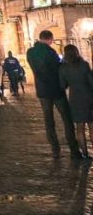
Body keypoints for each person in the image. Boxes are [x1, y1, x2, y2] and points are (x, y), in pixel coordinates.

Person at [27, 30, 81, 159]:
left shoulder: (30, 52)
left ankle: (55, 149)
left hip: (42, 91)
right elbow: (57, 69)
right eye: (51, 40)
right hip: (56, 90)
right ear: (49, 39)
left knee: (48, 120)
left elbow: (37, 70)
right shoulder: (51, 52)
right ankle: (74, 149)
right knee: (66, 119)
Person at [59, 44, 93, 159]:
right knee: (92, 126)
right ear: (76, 52)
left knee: (80, 128)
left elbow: (63, 85)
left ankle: (84, 154)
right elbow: (91, 82)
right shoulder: (84, 65)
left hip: (75, 99)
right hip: (88, 98)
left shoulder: (63, 68)